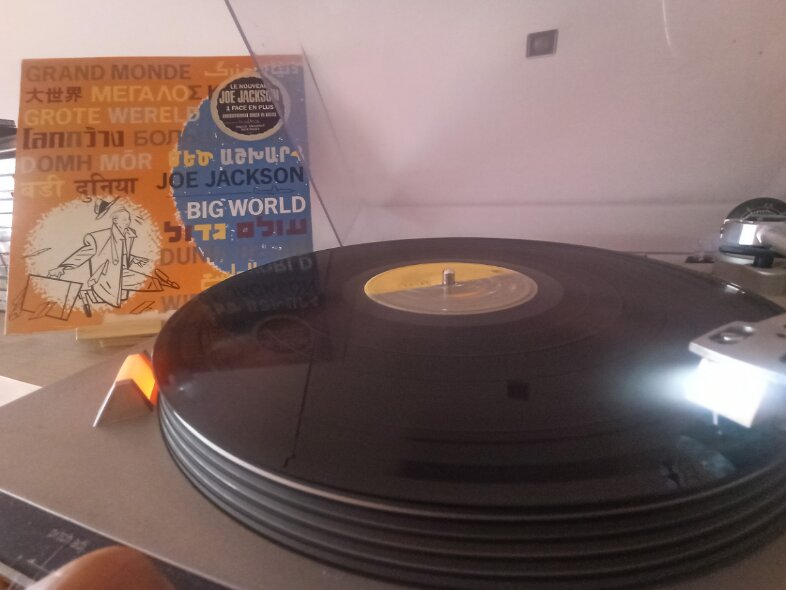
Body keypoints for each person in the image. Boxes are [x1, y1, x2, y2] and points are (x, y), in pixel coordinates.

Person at [48, 209, 176, 308]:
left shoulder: (129, 235)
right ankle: (90, 293)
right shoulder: (99, 237)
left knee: (151, 283)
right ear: (115, 221)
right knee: (150, 283)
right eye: (124, 219)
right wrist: (63, 267)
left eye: (128, 219)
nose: (128, 221)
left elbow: (121, 254)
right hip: (107, 276)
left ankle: (90, 294)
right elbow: (83, 254)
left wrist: (132, 259)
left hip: (122, 272)